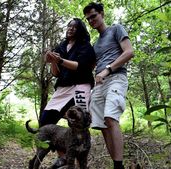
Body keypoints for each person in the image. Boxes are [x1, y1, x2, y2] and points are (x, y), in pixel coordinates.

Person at [83, 2, 134, 169]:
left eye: (93, 16)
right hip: (99, 84)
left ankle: (119, 166)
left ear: (102, 14)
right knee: (102, 125)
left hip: (116, 77)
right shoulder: (95, 44)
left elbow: (129, 52)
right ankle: (116, 163)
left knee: (111, 118)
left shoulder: (116, 29)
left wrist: (108, 69)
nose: (91, 21)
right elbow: (88, 65)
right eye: (88, 19)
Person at [40, 18, 96, 168]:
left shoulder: (86, 47)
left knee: (81, 121)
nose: (70, 29)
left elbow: (79, 66)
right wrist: (52, 61)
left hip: (80, 86)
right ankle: (63, 158)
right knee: (45, 121)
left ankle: (81, 157)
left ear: (81, 30)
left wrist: (59, 60)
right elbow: (56, 73)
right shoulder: (62, 46)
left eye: (75, 27)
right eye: (69, 26)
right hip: (63, 87)